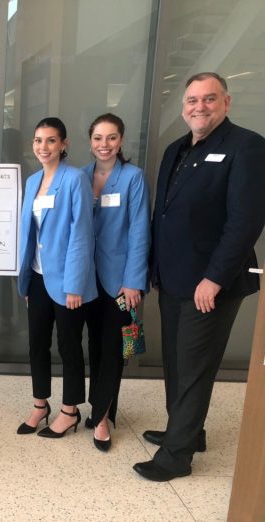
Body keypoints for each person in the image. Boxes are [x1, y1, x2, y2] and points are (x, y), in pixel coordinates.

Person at [134, 72, 265, 481]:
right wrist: (154, 269)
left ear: (226, 102)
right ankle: (187, 431)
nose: (199, 107)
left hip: (210, 286)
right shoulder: (175, 149)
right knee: (176, 362)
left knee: (193, 366)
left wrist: (214, 278)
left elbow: (245, 221)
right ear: (183, 107)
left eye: (209, 99)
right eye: (192, 100)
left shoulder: (247, 146)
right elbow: (164, 215)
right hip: (173, 280)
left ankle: (176, 457)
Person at [16, 117, 96, 438]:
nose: (43, 147)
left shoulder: (75, 179)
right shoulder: (33, 181)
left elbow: (82, 235)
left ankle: (69, 411)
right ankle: (40, 405)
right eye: (38, 140)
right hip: (36, 277)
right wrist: (25, 278)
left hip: (66, 281)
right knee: (36, 344)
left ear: (63, 144)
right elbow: (29, 233)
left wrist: (75, 283)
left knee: (68, 346)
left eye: (50, 141)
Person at [81, 114, 150, 451]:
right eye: (97, 138)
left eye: (110, 138)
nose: (103, 144)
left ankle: (102, 418)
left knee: (114, 350)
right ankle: (102, 407)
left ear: (121, 140)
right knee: (95, 347)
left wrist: (134, 281)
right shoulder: (80, 176)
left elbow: (140, 231)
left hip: (121, 283)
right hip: (85, 280)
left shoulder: (133, 177)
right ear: (90, 141)